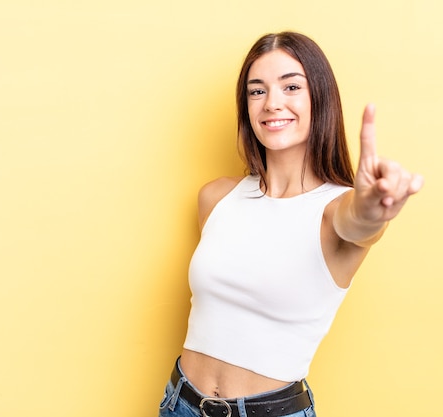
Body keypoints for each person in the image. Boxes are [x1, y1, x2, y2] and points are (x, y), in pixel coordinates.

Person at [158, 31, 423, 417]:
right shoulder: (216, 198)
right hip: (180, 403)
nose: (272, 103)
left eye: (291, 86)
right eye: (257, 91)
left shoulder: (336, 211)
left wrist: (372, 207)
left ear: (320, 98)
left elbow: (359, 224)